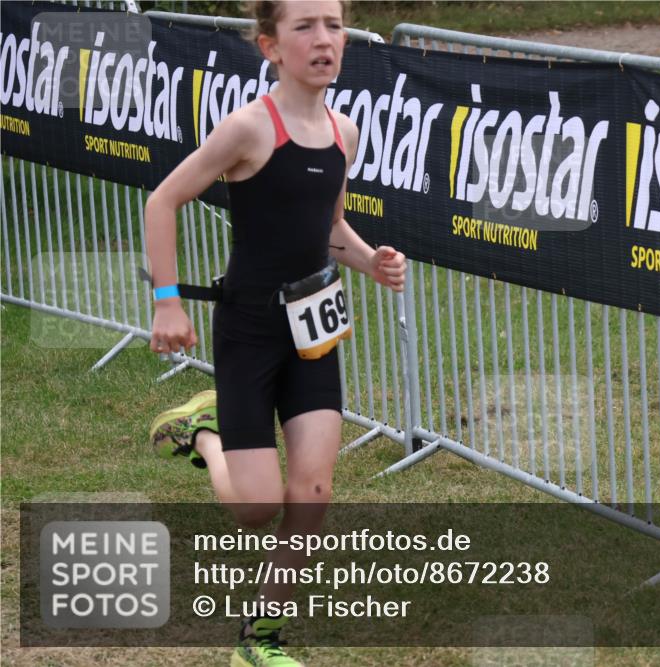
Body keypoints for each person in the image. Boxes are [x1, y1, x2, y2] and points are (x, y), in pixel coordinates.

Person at [144, 1, 406, 665]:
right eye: (305, 28)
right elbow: (163, 200)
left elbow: (328, 229)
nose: (324, 40)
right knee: (256, 507)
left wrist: (370, 259)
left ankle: (258, 639)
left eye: (334, 26)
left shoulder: (344, 132)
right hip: (251, 330)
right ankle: (201, 434)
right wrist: (168, 303)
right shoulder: (248, 129)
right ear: (270, 46)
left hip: (314, 332)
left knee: (312, 494)